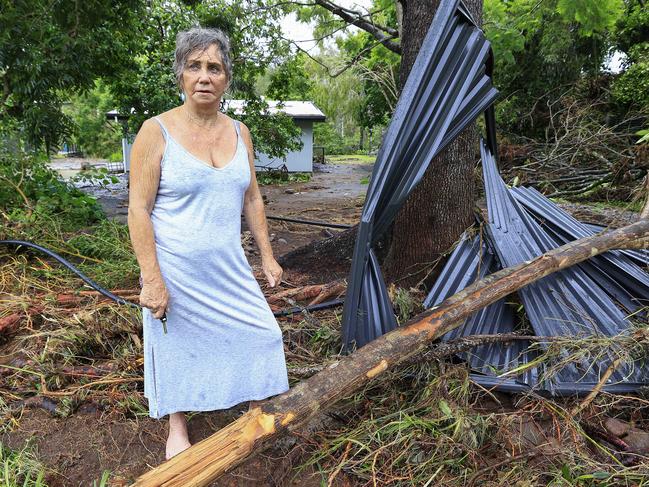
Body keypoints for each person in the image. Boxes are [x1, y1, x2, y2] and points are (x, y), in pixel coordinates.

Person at [127, 26, 290, 461]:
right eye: (194, 66)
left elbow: (252, 196)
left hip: (228, 264)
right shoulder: (155, 131)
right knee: (177, 343)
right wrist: (151, 278)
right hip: (175, 268)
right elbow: (138, 209)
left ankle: (254, 412)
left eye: (214, 67)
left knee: (264, 334)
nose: (204, 76)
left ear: (226, 79)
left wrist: (268, 257)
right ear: (181, 75)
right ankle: (177, 423)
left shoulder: (240, 132)